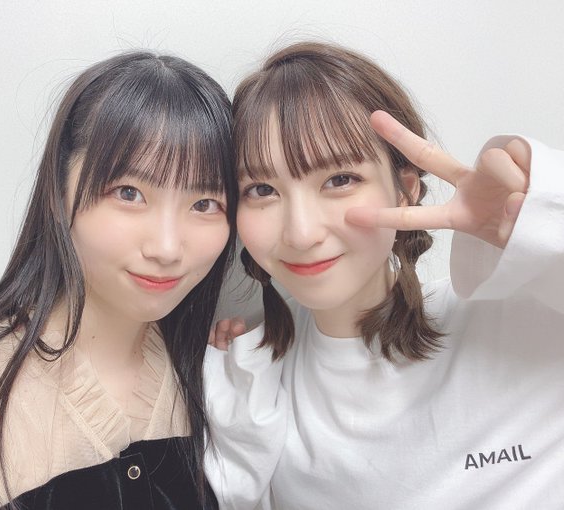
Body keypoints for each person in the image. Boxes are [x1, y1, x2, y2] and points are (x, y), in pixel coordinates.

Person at [204, 42, 564, 509]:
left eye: (339, 180)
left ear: (405, 190)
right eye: (261, 190)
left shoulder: (525, 318)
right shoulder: (250, 382)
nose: (301, 233)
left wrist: (543, 223)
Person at [0, 50, 237, 509]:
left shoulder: (208, 377)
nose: (167, 248)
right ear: (58, 190)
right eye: (129, 193)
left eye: (204, 203)